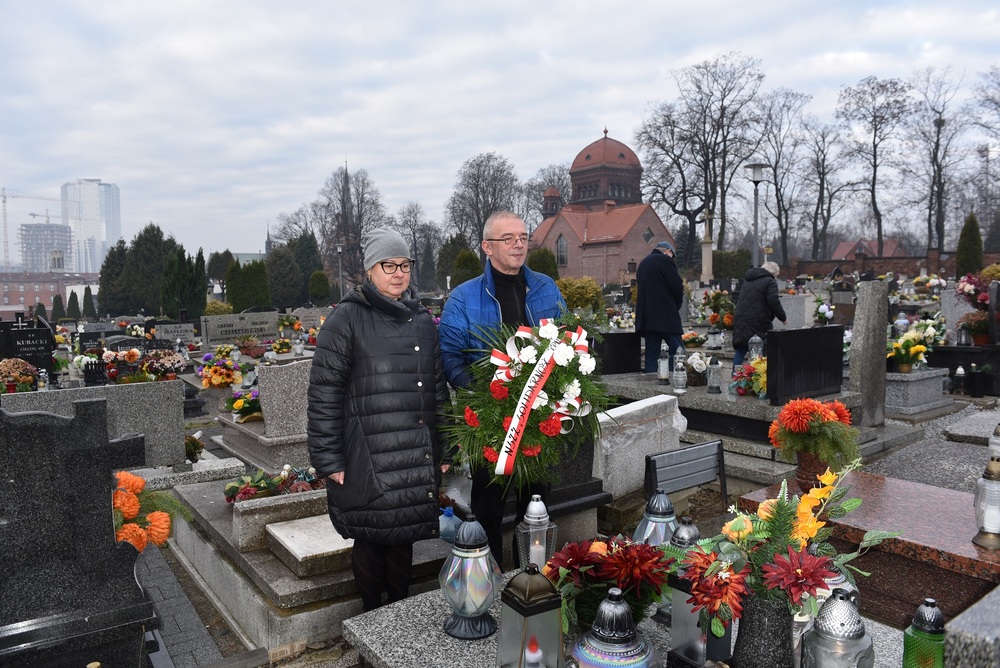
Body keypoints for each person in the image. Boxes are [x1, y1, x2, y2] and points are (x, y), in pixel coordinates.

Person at [307, 228, 451, 612]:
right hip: (367, 454)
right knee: (371, 538)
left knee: (403, 536)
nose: (399, 273)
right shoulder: (346, 319)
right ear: (370, 269)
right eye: (389, 265)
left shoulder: (421, 319)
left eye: (405, 265)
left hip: (412, 452)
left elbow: (438, 388)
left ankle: (398, 618)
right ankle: (371, 619)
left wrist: (446, 448)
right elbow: (324, 394)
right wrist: (329, 459)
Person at [438, 211, 566, 566]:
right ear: (487, 247)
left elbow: (567, 339)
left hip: (539, 418)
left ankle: (533, 575)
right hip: (490, 422)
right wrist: (486, 395)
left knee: (536, 507)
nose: (518, 244)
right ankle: (489, 578)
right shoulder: (463, 298)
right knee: (488, 510)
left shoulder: (546, 287)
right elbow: (450, 357)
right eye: (508, 238)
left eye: (523, 237)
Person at [635, 240, 685, 374]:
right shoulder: (665, 260)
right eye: (672, 255)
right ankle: (674, 377)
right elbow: (676, 286)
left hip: (648, 319)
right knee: (678, 351)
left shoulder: (643, 263)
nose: (672, 259)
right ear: (668, 251)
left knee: (651, 355)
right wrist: (676, 305)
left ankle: (650, 382)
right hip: (666, 316)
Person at [732, 260, 787, 367]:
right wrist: (783, 318)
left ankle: (735, 374)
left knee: (741, 348)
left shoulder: (748, 280)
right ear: (773, 273)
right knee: (759, 348)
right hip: (759, 320)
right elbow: (773, 301)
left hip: (741, 318)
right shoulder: (770, 281)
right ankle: (758, 374)